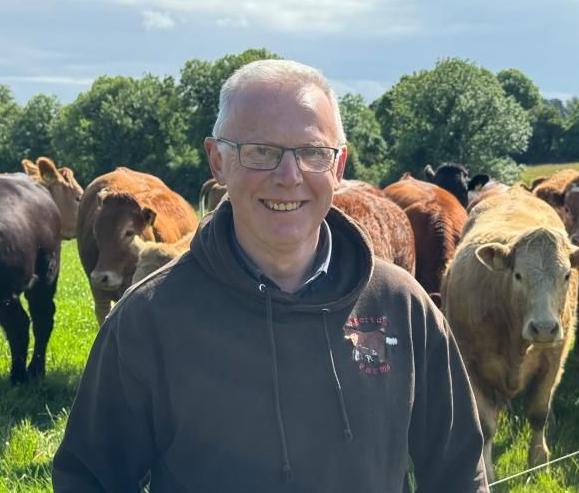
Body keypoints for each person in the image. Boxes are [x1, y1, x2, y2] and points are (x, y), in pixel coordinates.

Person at [53, 59, 489, 492]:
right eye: (260, 151)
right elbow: (89, 478)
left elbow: (459, 472)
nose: (288, 176)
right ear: (218, 162)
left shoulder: (399, 305)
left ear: (338, 167)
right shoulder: (149, 318)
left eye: (312, 153)